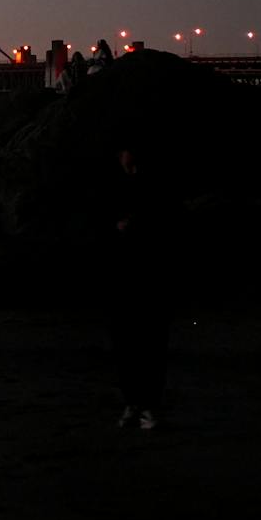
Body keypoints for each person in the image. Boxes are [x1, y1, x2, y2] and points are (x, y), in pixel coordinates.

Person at [108, 143, 177, 430]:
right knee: (137, 342)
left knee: (141, 342)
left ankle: (141, 403)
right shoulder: (134, 189)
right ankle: (139, 403)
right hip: (134, 277)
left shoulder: (144, 190)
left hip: (143, 276)